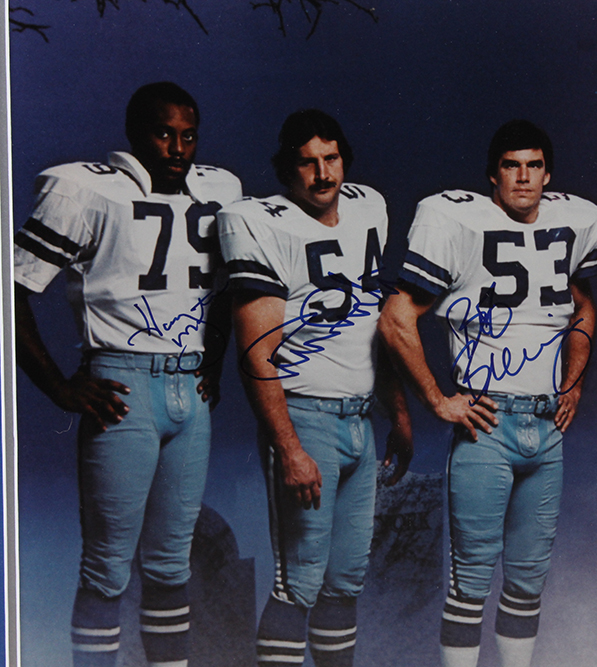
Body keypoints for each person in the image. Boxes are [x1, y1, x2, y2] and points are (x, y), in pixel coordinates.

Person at [13, 81, 241, 667]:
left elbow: (227, 288)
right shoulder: (90, 189)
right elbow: (11, 288)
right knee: (107, 569)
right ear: (135, 134)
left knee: (171, 566)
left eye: (188, 136)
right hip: (123, 384)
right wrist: (61, 386)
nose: (177, 149)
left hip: (188, 389)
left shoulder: (220, 189)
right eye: (164, 134)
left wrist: (212, 358)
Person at [378, 119, 597, 667]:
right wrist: (439, 400)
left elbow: (585, 308)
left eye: (533, 165)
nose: (523, 177)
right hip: (488, 424)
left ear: (548, 173)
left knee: (528, 582)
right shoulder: (460, 221)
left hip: (547, 428)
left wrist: (572, 382)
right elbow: (395, 318)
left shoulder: (571, 221)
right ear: (491, 177)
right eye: (511, 165)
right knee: (471, 582)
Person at [218, 109, 412, 667]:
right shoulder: (261, 222)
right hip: (305, 416)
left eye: (331, 158)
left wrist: (397, 413)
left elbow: (375, 323)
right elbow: (256, 352)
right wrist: (289, 445)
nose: (323, 173)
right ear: (288, 170)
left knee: (346, 579)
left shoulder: (368, 207)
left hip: (360, 419)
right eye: (308, 162)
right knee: (298, 579)